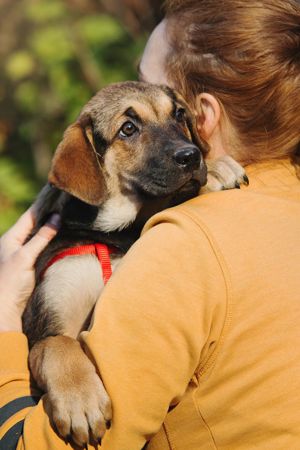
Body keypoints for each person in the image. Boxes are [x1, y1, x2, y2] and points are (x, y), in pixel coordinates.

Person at [1, 0, 300, 448]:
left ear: (202, 117)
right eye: (130, 128)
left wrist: (3, 322)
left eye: (175, 112)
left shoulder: (181, 246)